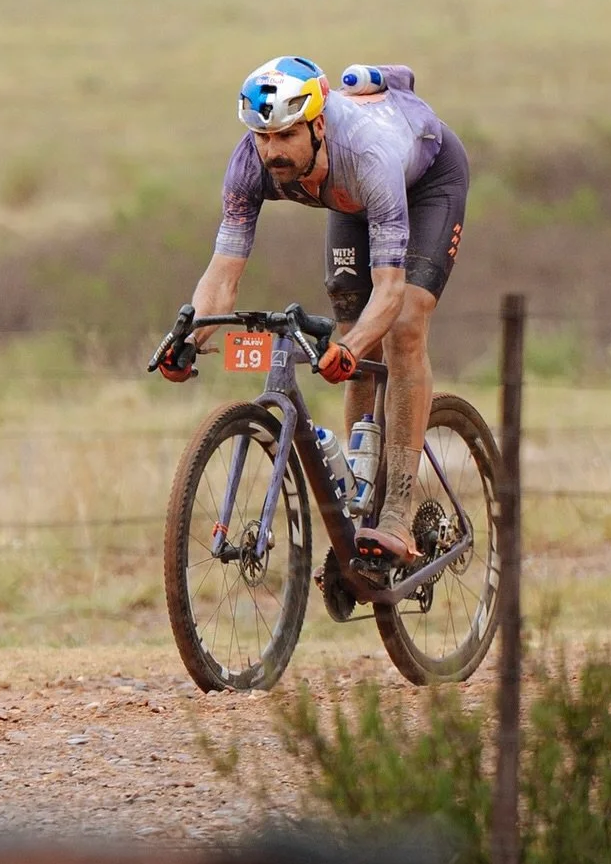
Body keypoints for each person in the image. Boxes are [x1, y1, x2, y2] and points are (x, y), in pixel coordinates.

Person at [161, 56, 468, 566]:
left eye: (284, 136)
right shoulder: (248, 163)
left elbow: (389, 291)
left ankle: (396, 508)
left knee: (402, 327)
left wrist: (351, 348)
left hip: (423, 185)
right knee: (349, 330)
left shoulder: (366, 154)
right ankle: (360, 508)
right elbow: (222, 274)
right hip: (348, 201)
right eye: (262, 137)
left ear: (318, 125)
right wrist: (190, 339)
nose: (271, 152)